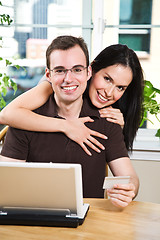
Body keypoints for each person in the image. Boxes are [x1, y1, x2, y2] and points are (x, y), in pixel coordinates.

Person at [0, 35, 139, 208]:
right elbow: (4, 186)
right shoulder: (25, 120)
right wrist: (65, 126)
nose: (68, 78)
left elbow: (130, 177)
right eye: (60, 70)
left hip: (88, 224)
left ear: (87, 72)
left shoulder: (108, 121)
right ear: (49, 75)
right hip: (35, 221)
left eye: (77, 70)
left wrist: (128, 189)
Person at [0, 44, 144, 154]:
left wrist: (119, 129)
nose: (109, 93)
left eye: (120, 88)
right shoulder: (58, 83)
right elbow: (6, 115)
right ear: (91, 70)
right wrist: (66, 126)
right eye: (107, 79)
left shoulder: (114, 113)